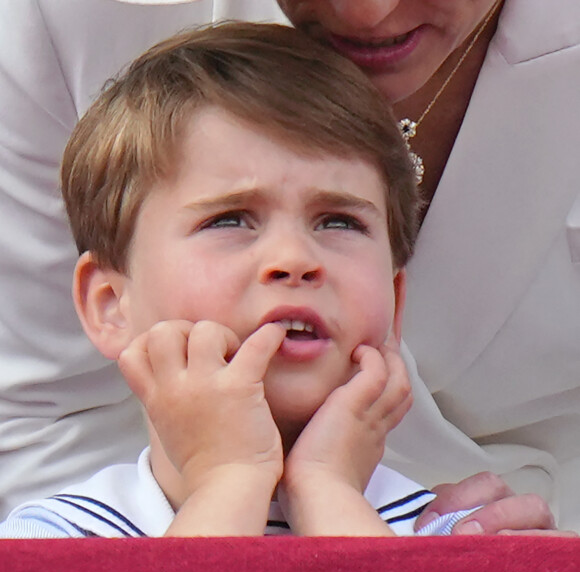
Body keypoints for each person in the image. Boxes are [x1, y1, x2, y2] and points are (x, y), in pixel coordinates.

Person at [0, 0, 576, 534]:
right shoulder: (49, 537)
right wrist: (230, 480)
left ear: (397, 302)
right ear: (109, 303)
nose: (295, 261)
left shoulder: (459, 538)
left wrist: (327, 491)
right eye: (229, 220)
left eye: (339, 223)